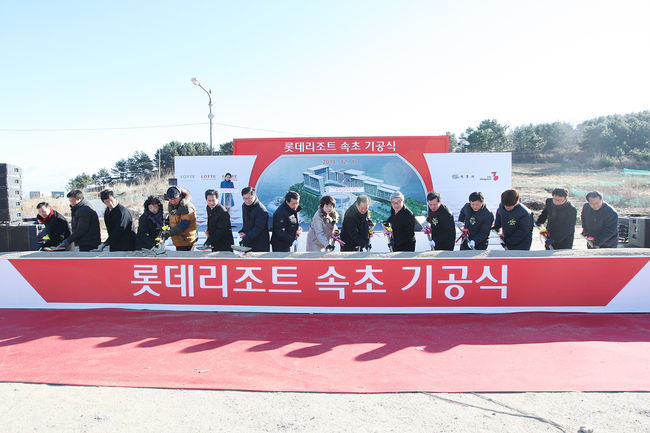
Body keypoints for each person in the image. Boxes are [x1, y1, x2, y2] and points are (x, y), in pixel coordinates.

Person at [163, 186, 198, 251]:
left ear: (180, 196)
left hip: (187, 240)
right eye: (171, 199)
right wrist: (167, 222)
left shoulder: (187, 207)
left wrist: (169, 233)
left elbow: (183, 225)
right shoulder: (171, 204)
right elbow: (173, 217)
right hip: (178, 241)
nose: (173, 201)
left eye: (175, 199)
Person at [239, 186, 270, 252]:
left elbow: (258, 228)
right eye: (244, 198)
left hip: (260, 243)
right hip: (249, 240)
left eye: (249, 198)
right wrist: (242, 231)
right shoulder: (244, 205)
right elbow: (246, 222)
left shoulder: (261, 210)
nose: (247, 201)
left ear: (254, 196)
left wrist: (246, 238)